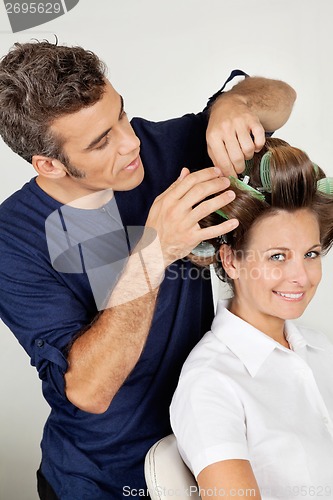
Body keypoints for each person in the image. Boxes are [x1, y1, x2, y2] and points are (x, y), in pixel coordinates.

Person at [0, 39, 296, 499]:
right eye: (102, 142)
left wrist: (232, 104)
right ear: (49, 164)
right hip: (99, 477)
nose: (130, 141)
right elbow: (89, 390)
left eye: (120, 114)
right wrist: (155, 252)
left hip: (207, 449)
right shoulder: (12, 241)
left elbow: (280, 98)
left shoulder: (163, 148)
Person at [170, 138, 333, 499]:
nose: (301, 276)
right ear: (230, 260)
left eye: (311, 253)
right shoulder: (210, 383)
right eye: (277, 257)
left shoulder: (323, 349)